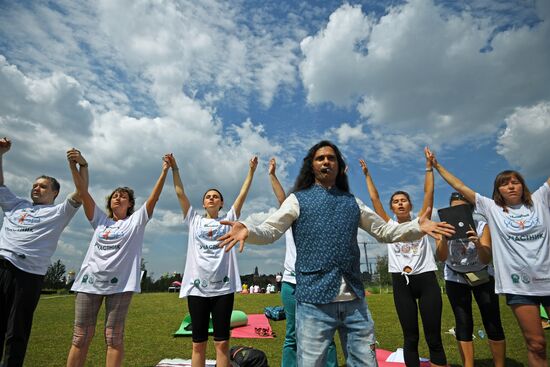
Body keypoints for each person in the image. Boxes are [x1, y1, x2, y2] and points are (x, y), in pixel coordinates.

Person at [219, 141, 454, 367]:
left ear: (339, 166)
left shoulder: (352, 202)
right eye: (320, 158)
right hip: (313, 302)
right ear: (311, 165)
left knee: (365, 363)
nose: (326, 162)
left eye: (331, 158)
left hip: (354, 304)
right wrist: (249, 230)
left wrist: (417, 227)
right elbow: (271, 230)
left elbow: (383, 231)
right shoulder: (297, 199)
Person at [427, 147, 550, 367]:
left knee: (495, 322)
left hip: (530, 278)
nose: (511, 186)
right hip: (514, 285)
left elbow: (485, 258)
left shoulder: (539, 200)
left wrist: (477, 242)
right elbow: (459, 186)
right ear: (497, 190)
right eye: (504, 183)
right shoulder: (492, 209)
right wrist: (436, 166)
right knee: (536, 343)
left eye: (515, 182)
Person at [66, 149, 169, 367]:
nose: (118, 197)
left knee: (113, 336)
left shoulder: (136, 222)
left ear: (130, 204)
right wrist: (76, 166)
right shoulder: (99, 220)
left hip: (120, 285)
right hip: (89, 283)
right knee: (80, 336)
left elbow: (154, 198)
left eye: (123, 196)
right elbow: (82, 192)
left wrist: (164, 171)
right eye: (115, 195)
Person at [167, 154, 257, 367]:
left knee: (222, 343)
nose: (211, 198)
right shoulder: (193, 220)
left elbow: (242, 194)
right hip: (197, 290)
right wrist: (175, 170)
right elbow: (180, 192)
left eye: (216, 196)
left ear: (221, 202)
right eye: (208, 196)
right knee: (198, 344)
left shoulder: (229, 220)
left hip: (222, 290)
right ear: (203, 202)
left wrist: (251, 171)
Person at [359, 148, 446, 367]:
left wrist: (429, 168)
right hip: (401, 283)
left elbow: (429, 194)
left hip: (426, 279)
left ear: (410, 205)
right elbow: (374, 198)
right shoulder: (389, 226)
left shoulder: (422, 221)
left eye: (403, 200)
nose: (399, 203)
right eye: (396, 201)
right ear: (392, 208)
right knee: (411, 337)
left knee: (434, 337)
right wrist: (367, 175)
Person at [0, 138, 83, 367]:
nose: (37, 188)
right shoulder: (17, 205)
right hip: (1, 265)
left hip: (27, 274)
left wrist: (76, 166)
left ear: (55, 193)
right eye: (35, 185)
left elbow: (81, 192)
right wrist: (0, 154)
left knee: (16, 331)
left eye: (43, 186)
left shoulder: (58, 213)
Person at [268, 158, 338, 367]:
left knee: (326, 334)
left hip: (320, 283)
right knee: (292, 334)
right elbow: (282, 200)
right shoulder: (292, 213)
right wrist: (272, 175)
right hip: (292, 283)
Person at [435, 192, 506, 367]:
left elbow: (486, 258)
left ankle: (500, 364)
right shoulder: (442, 228)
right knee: (463, 321)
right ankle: (468, 364)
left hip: (482, 275)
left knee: (492, 320)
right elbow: (441, 257)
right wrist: (443, 238)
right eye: (454, 209)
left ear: (471, 209)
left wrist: (478, 243)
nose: (457, 212)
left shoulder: (481, 226)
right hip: (456, 277)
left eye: (462, 208)